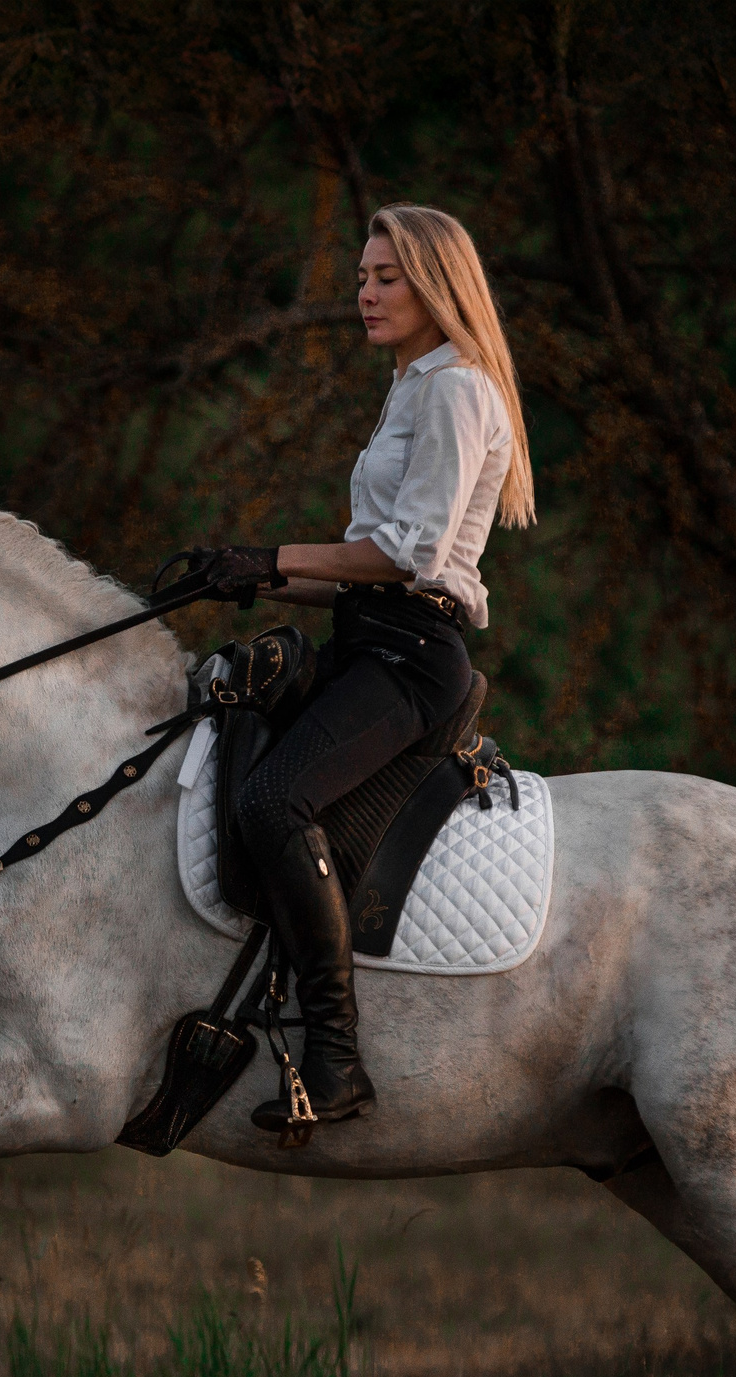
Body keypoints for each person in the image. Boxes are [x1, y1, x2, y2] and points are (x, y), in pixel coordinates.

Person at [199, 203, 538, 1133]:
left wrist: (275, 557)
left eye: (387, 277)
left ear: (436, 284)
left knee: (274, 801)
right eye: (361, 277)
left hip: (413, 657)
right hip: (372, 636)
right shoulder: (411, 386)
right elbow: (362, 572)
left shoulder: (458, 389)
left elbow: (407, 554)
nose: (367, 293)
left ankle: (336, 1056)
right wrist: (240, 575)